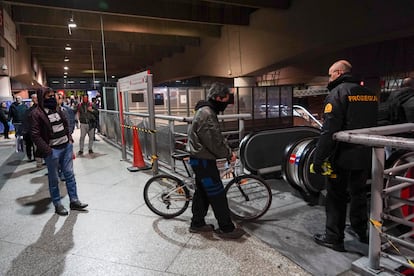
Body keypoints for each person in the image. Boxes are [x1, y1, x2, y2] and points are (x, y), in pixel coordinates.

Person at [311, 60, 378, 251]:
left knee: (336, 197)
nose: (329, 77)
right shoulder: (369, 94)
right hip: (366, 153)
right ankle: (361, 230)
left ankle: (333, 237)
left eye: (331, 74)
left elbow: (329, 130)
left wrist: (318, 159)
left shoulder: (337, 93)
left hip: (342, 156)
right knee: (359, 194)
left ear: (339, 73)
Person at [186, 82, 245, 239]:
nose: (227, 102)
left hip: (199, 160)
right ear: (218, 98)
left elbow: (214, 138)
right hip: (204, 161)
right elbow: (214, 140)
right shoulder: (207, 114)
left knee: (203, 192)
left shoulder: (204, 110)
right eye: (226, 99)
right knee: (217, 194)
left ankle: (197, 223)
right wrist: (228, 154)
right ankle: (227, 228)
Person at [30, 88, 88, 216]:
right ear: (41, 97)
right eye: (48, 96)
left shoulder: (58, 109)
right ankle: (57, 203)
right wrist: (47, 150)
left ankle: (74, 200)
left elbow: (65, 124)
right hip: (52, 151)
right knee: (54, 178)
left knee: (69, 174)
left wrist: (69, 138)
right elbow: (35, 135)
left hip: (66, 147)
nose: (51, 98)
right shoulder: (37, 113)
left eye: (52, 95)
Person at [22, 94, 38, 161]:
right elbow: (25, 120)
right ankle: (30, 157)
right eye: (34, 98)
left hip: (37, 130)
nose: (36, 99)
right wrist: (25, 130)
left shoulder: (41, 108)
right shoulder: (29, 110)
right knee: (29, 144)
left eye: (36, 98)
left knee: (36, 146)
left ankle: (36, 158)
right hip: (30, 131)